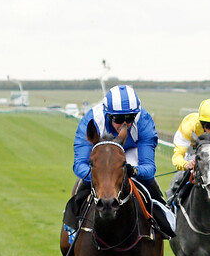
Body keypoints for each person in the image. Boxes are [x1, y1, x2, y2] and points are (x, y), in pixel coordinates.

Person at [65, 85, 175, 238]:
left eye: (130, 118)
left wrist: (134, 171)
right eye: (118, 119)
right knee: (82, 183)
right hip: (101, 155)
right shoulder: (92, 120)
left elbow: (149, 167)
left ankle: (163, 218)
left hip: (129, 152)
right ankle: (72, 226)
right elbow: (79, 165)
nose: (125, 124)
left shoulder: (143, 120)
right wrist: (102, 177)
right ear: (107, 114)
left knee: (149, 181)